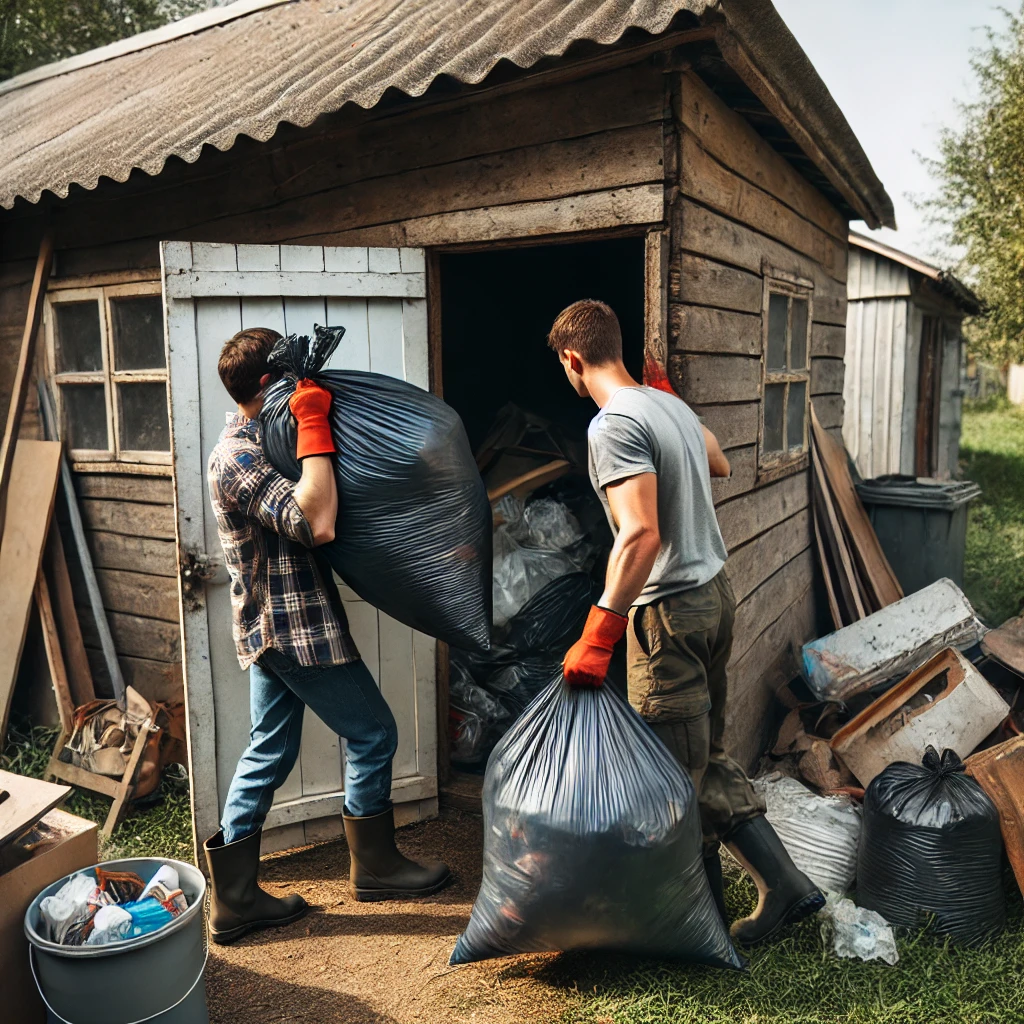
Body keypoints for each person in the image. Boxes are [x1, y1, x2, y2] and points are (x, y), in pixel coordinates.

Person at [548, 300, 824, 946]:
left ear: (572, 360)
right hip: (714, 595)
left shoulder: (610, 424)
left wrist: (600, 633)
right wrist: (673, 413)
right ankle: (781, 887)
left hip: (669, 612)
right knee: (703, 756)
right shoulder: (664, 405)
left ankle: (691, 924)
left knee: (673, 775)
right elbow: (718, 462)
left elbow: (641, 534)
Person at [203, 327, 450, 944]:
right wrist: (314, 426)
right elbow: (316, 518)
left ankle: (234, 900)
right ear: (267, 386)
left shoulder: (267, 441)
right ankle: (376, 866)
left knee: (270, 751)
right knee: (375, 733)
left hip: (285, 623)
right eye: (285, 379)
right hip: (291, 630)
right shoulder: (236, 457)